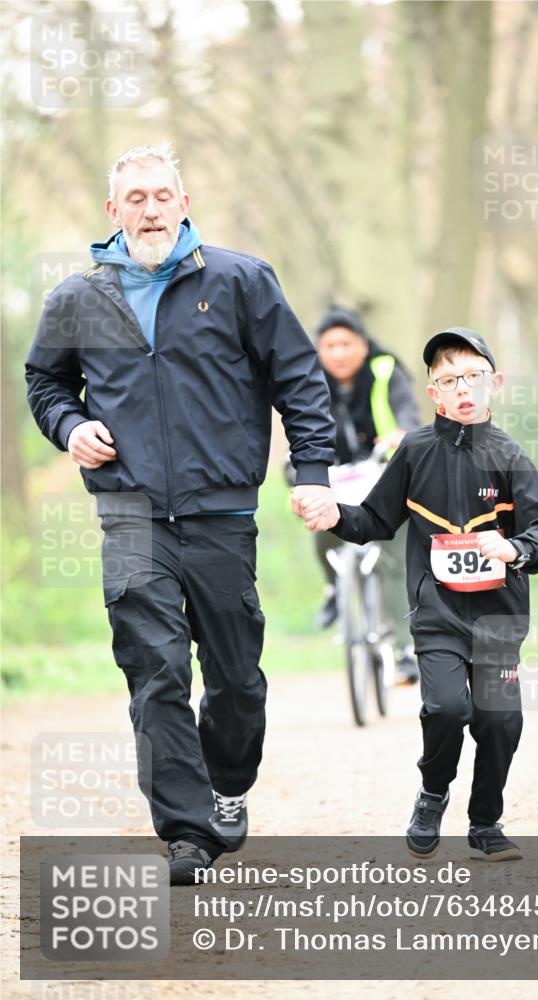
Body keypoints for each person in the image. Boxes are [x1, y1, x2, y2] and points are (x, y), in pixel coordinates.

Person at [25, 144, 338, 884]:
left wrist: (314, 471)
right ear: (112, 212)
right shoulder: (78, 299)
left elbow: (297, 377)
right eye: (134, 197)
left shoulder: (239, 281)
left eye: (162, 194)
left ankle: (227, 782)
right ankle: (187, 832)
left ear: (184, 200)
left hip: (221, 511)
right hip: (129, 515)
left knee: (235, 678)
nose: (150, 208)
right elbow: (45, 380)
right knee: (156, 672)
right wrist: (70, 427)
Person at [299, 328, 538, 861]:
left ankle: (486, 822)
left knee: (499, 720)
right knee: (445, 709)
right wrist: (335, 516)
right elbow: (375, 517)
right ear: (433, 393)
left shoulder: (511, 456)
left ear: (494, 384)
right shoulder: (416, 451)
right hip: (437, 608)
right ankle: (433, 791)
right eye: (448, 380)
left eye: (472, 377)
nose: (462, 388)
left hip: (499, 614)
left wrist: (513, 549)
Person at [310, 305, 421, 680]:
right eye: (329, 346)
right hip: (335, 474)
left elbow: (407, 411)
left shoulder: (385, 368)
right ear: (319, 350)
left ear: (362, 344)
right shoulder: (308, 376)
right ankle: (333, 590)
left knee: (393, 559)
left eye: (346, 343)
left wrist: (401, 434)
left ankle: (407, 649)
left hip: (384, 472)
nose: (338, 353)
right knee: (320, 520)